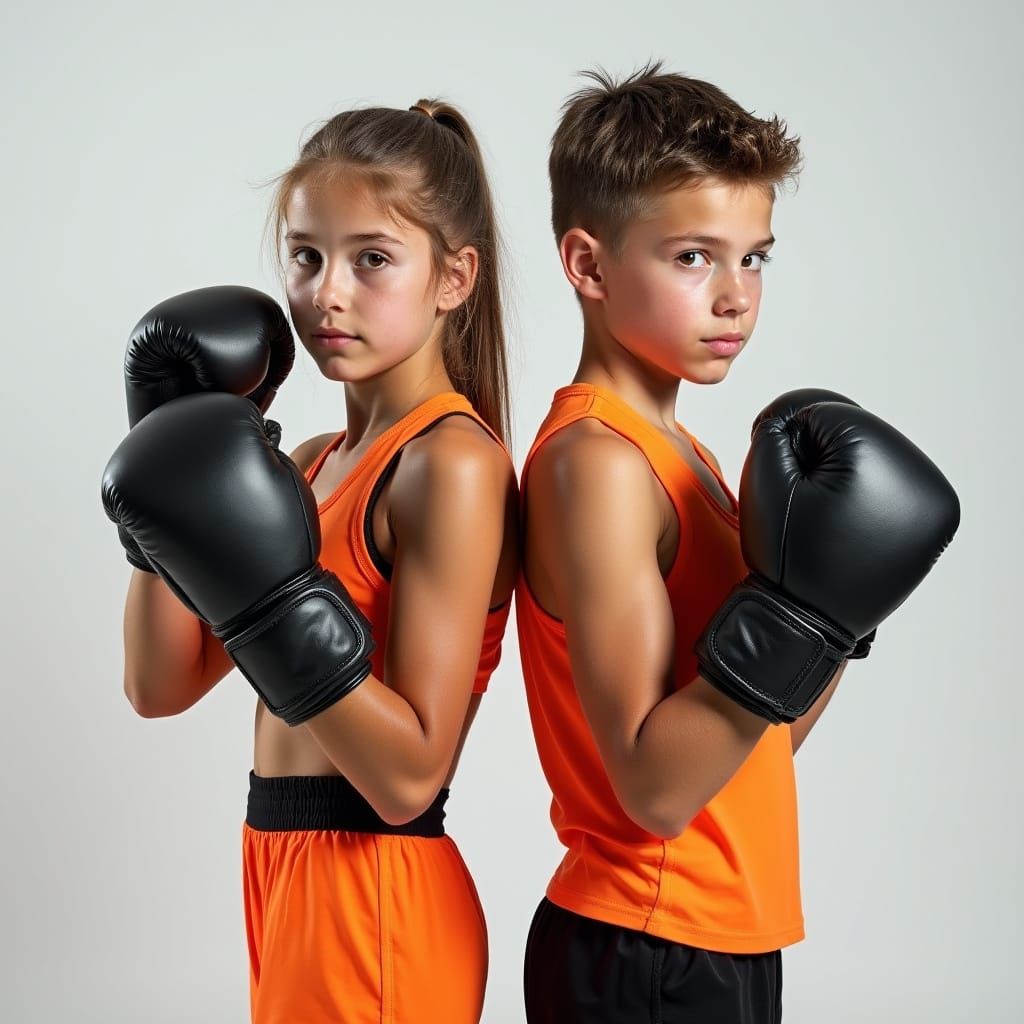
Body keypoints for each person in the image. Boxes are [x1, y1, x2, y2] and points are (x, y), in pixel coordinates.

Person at [516, 64, 959, 1022]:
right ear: (588, 266)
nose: (735, 297)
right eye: (692, 257)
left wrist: (835, 618)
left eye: (754, 257)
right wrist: (799, 610)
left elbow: (759, 741)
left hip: (718, 936)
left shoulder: (693, 461)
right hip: (644, 945)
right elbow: (654, 790)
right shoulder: (596, 464)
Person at [103, 99, 517, 1024]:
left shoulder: (450, 463)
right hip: (280, 869)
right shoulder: (306, 463)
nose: (327, 292)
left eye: (372, 258)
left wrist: (273, 597)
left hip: (374, 889)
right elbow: (157, 684)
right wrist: (168, 448)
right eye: (306, 255)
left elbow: (408, 776)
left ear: (454, 278)